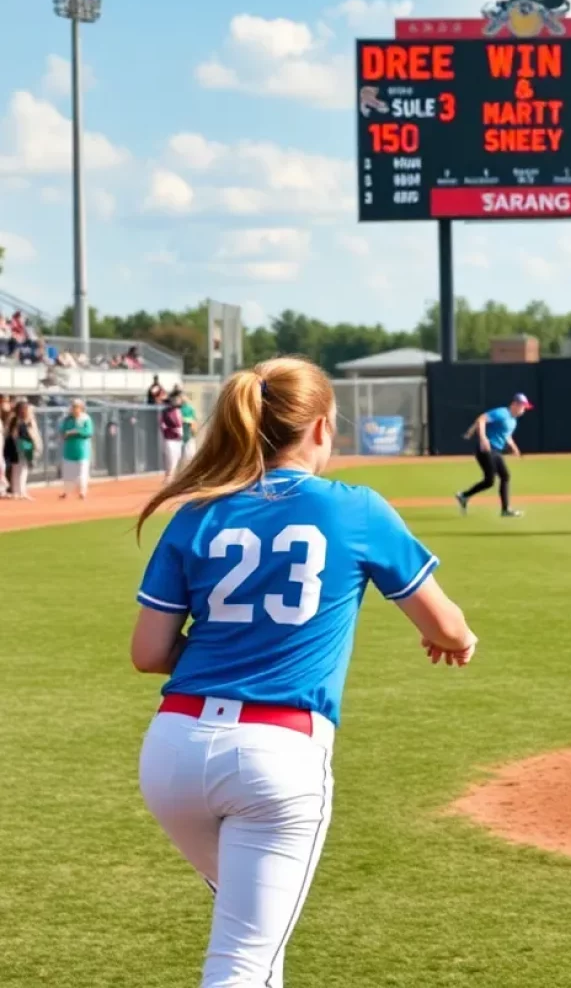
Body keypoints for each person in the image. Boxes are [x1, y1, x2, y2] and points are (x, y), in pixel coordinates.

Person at [132, 356, 477, 988]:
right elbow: (446, 627)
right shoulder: (355, 509)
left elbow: (149, 652)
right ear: (320, 428)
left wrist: (227, 653)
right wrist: (457, 640)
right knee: (243, 962)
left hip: (173, 753)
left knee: (254, 941)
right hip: (276, 755)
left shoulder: (198, 511)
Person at [454, 392, 533, 518]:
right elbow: (481, 419)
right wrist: (483, 438)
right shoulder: (502, 412)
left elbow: (506, 436)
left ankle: (466, 496)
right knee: (494, 479)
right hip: (486, 449)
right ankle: (466, 496)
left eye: (525, 407)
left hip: (496, 451)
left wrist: (514, 448)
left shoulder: (513, 421)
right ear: (514, 404)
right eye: (522, 406)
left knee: (499, 478)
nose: (523, 409)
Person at [6, 400, 41, 500]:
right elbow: (13, 434)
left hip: (24, 445)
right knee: (19, 469)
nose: (26, 411)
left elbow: (34, 434)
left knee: (20, 469)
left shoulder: (27, 420)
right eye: (25, 409)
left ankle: (19, 491)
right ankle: (19, 491)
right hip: (19, 445)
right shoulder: (16, 420)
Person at [59, 399, 93, 500]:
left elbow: (89, 432)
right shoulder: (67, 419)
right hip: (69, 450)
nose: (74, 409)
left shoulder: (86, 419)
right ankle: (66, 492)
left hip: (82, 450)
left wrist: (76, 432)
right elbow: (62, 431)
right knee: (68, 473)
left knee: (82, 473)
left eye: (76, 407)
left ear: (81, 408)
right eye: (73, 407)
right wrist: (66, 434)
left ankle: (82, 492)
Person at [160, 391, 184, 480]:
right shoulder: (166, 412)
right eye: (175, 399)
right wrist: (173, 430)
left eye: (178, 399)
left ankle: (172, 476)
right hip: (170, 438)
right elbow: (163, 425)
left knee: (177, 457)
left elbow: (180, 424)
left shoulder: (179, 411)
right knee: (170, 457)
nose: (177, 401)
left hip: (178, 439)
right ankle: (169, 477)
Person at [179, 392, 198, 463]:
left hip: (189, 434)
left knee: (191, 454)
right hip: (180, 435)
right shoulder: (178, 409)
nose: (183, 399)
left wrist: (194, 431)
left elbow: (194, 421)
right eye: (181, 398)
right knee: (180, 456)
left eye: (184, 397)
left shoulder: (190, 408)